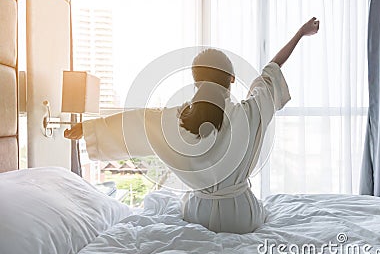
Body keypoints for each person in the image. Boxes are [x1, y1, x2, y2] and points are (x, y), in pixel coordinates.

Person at [65, 17, 319, 234]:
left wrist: (89, 128)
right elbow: (270, 71)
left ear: (196, 81)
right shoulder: (250, 111)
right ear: (231, 78)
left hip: (200, 213)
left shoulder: (176, 120)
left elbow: (136, 121)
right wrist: (300, 33)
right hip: (242, 216)